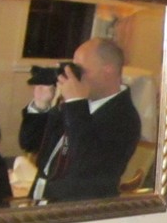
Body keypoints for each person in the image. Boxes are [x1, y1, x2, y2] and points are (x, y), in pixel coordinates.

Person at [19, 37, 141, 202]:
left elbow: (85, 162)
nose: (74, 75)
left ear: (108, 70)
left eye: (80, 69)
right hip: (43, 200)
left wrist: (75, 103)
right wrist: (40, 105)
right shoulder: (74, 104)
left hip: (78, 209)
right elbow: (30, 143)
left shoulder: (124, 117)